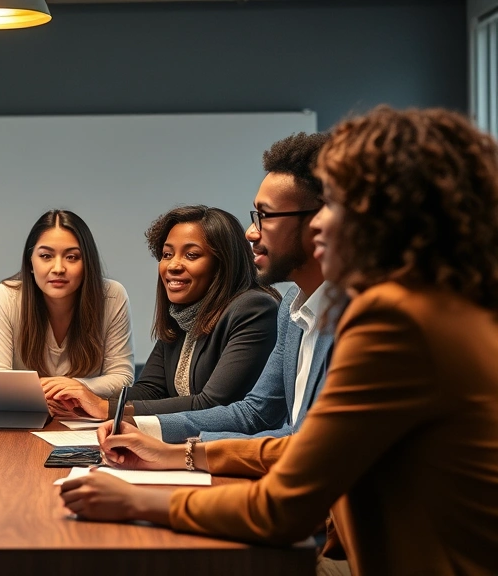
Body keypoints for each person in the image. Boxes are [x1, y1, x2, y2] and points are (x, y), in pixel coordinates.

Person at [61, 107, 498, 576]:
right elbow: (304, 443)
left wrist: (135, 502)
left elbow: (284, 510)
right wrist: (181, 453)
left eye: (337, 206)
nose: (320, 226)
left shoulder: (394, 320)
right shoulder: (443, 310)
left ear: (390, 219)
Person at [139, 132, 334, 443]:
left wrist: (187, 455)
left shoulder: (360, 315)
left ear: (320, 221)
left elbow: (308, 445)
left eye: (265, 216)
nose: (251, 233)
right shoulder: (291, 308)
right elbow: (254, 412)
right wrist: (145, 430)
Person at [50, 206, 278, 418]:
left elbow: (213, 404)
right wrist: (81, 400)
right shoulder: (184, 315)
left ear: (223, 264)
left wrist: (105, 408)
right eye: (167, 254)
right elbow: (152, 390)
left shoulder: (253, 309)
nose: (173, 266)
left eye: (191, 255)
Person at [0, 209, 134, 405]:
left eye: (72, 257)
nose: (58, 268)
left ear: (87, 263)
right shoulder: (5, 297)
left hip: (88, 421)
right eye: (46, 256)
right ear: (30, 262)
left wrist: (76, 387)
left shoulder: (112, 296)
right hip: (23, 420)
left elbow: (123, 377)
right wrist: (57, 390)